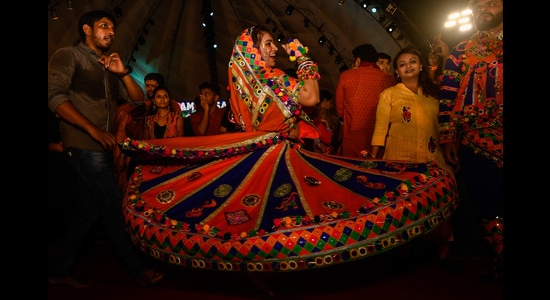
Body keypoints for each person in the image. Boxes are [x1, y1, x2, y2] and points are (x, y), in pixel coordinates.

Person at [116, 25, 458, 272]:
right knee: (299, 212)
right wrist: (305, 59)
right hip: (277, 153)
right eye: (267, 44)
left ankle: (258, 270)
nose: (273, 49)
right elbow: (309, 97)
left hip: (252, 153)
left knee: (251, 219)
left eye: (274, 45)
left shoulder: (241, 83)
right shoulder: (273, 77)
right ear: (252, 48)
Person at [47, 10, 164, 288]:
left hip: (101, 148)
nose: (110, 32)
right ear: (87, 29)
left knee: (89, 211)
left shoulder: (107, 65)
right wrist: (93, 129)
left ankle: (59, 270)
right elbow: (54, 96)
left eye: (112, 27)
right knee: (114, 204)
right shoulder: (69, 55)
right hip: (83, 144)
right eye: (103, 26)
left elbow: (138, 102)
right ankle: (139, 269)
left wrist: (122, 74)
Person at [370, 46, 456, 269]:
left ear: (420, 66)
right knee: (402, 206)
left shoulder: (434, 94)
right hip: (400, 159)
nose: (408, 66)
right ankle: (403, 253)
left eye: (412, 61)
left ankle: (444, 253)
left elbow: (444, 124)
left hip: (432, 158)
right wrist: (373, 160)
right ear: (396, 71)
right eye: (402, 63)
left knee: (440, 203)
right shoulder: (389, 94)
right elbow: (380, 129)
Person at [438, 0, 503, 281]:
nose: (483, 10)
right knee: (488, 203)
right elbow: (448, 96)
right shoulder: (460, 51)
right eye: (477, 7)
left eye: (491, 4)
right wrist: (447, 137)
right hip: (475, 141)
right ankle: (502, 258)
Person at [335, 44, 396, 158]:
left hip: (352, 138)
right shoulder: (390, 80)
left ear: (357, 60)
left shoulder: (346, 76)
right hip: (378, 141)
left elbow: (339, 110)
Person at [310, 89, 342, 154]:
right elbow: (327, 139)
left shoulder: (314, 112)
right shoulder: (323, 114)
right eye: (331, 102)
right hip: (323, 152)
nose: (332, 106)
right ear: (324, 101)